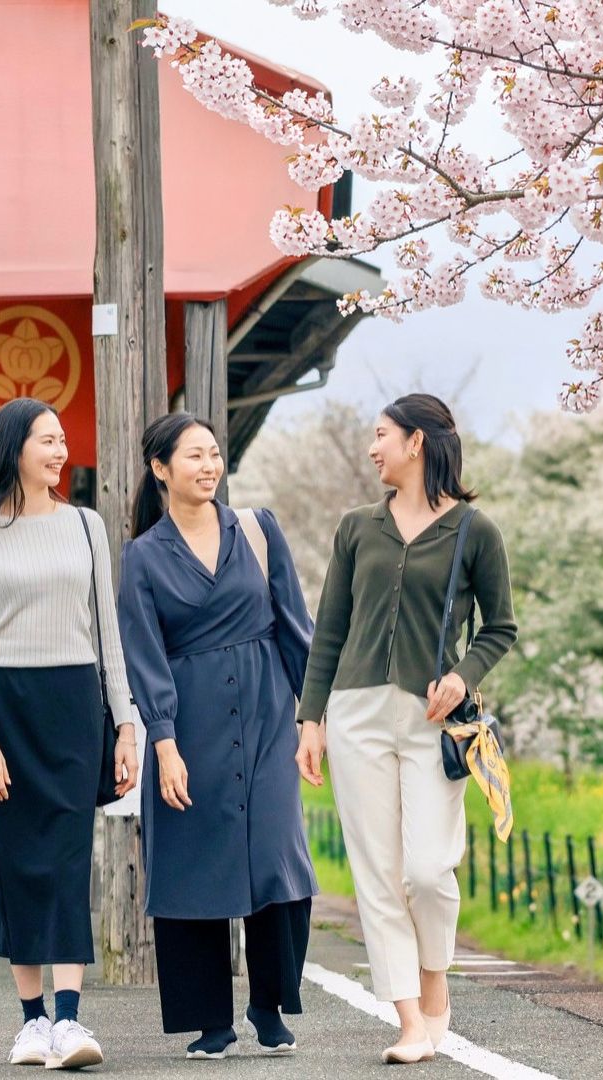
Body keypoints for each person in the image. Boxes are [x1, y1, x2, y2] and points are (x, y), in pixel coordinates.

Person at [293, 393, 518, 1064]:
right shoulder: (356, 527)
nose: (372, 447)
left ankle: (434, 982)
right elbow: (329, 629)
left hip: (433, 719)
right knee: (379, 875)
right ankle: (410, 1022)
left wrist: (465, 674)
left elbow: (500, 626)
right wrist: (311, 719)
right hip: (358, 712)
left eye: (381, 435)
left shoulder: (475, 532)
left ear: (416, 442)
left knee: (425, 870)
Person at [115, 413, 318, 1060]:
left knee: (277, 856)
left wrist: (312, 719)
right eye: (194, 456)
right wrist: (164, 744)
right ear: (160, 468)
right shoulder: (144, 557)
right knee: (194, 866)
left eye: (214, 454)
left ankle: (270, 1002)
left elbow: (295, 627)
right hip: (190, 726)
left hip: (266, 716)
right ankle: (210, 1021)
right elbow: (144, 656)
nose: (208, 466)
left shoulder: (258, 531)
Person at [0, 397, 140, 1070]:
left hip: (73, 705)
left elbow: (108, 636)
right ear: (13, 449)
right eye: (46, 441)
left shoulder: (86, 527)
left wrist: (127, 724)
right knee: (15, 863)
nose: (60, 452)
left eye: (62, 441)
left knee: (64, 860)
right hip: (5, 708)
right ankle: (31, 1024)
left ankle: (70, 1021)